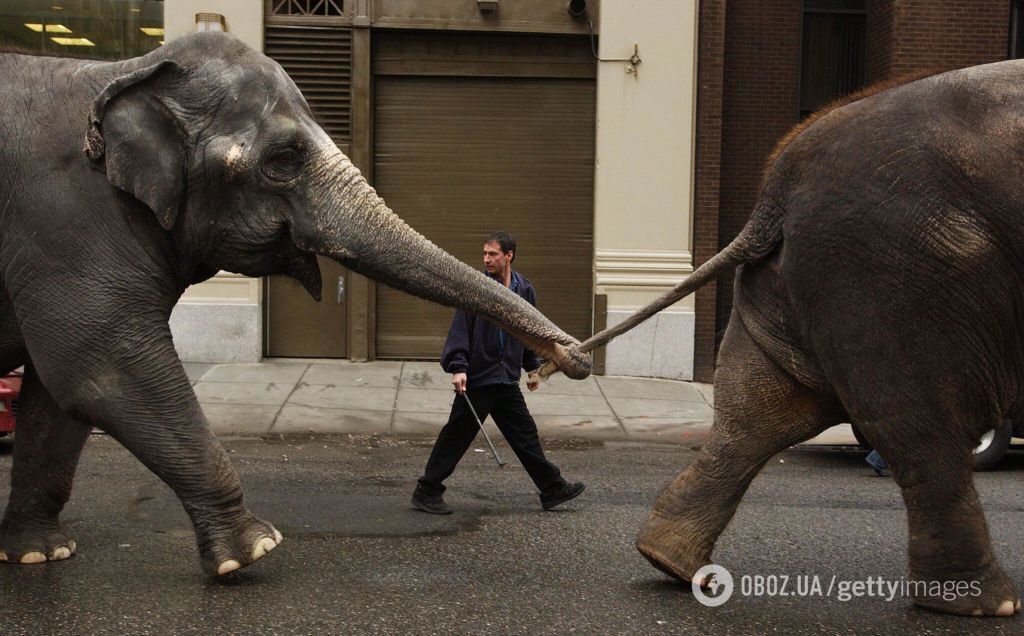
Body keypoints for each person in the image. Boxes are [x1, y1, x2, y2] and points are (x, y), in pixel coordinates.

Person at [411, 231, 585, 514]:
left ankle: (552, 488)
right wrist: (459, 367)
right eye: (484, 254)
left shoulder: (524, 290)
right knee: (457, 435)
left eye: (492, 254)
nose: (486, 259)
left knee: (525, 434)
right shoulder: (476, 287)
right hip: (479, 377)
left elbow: (529, 331)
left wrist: (531, 368)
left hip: (505, 378)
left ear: (509, 255)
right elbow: (460, 328)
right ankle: (427, 490)